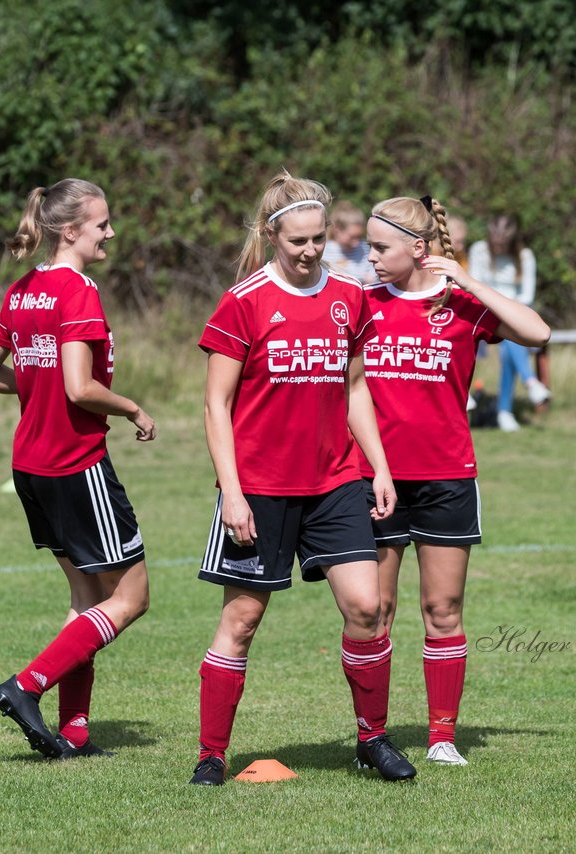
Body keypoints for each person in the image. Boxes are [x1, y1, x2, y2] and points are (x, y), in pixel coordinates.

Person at [190, 171, 413, 786]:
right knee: (241, 622)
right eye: (298, 242)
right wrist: (231, 492)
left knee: (368, 607)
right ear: (271, 236)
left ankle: (372, 739)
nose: (312, 250)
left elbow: (356, 387)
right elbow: (215, 406)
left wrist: (380, 467)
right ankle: (211, 754)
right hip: (258, 488)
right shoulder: (243, 302)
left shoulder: (350, 297)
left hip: (335, 481)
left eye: (319, 239)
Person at [0, 178, 155, 761]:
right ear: (70, 229)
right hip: (76, 463)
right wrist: (130, 407)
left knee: (86, 599)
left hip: (31, 462)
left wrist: (34, 389)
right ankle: (25, 687)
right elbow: (80, 387)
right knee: (130, 598)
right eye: (102, 223)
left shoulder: (24, 289)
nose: (110, 232)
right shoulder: (78, 291)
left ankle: (74, 733)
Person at [362, 195, 551, 765]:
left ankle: (442, 739)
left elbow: (536, 332)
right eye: (368, 246)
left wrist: (468, 281)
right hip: (378, 482)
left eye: (380, 247)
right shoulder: (361, 303)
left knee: (443, 610)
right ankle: (372, 736)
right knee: (375, 611)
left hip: (447, 479)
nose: (369, 258)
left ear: (418, 249)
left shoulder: (460, 304)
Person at [468, 214, 550, 431]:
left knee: (509, 347)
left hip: (513, 314)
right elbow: (474, 286)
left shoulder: (525, 256)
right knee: (512, 339)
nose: (498, 247)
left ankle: (505, 411)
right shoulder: (478, 250)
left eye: (503, 244)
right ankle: (529, 385)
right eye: (495, 242)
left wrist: (506, 308)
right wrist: (498, 306)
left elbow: (527, 295)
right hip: (484, 312)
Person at [322, 201, 378, 284]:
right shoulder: (324, 251)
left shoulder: (363, 248)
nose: (356, 243)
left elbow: (371, 272)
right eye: (352, 237)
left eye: (359, 237)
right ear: (337, 229)